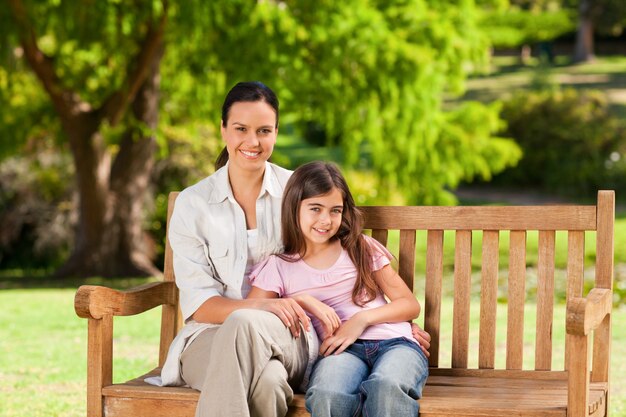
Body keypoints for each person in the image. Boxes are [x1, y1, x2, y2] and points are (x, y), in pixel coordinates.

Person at [149, 81, 431, 417]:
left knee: (247, 327)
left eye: (264, 130)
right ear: (223, 129)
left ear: (276, 132)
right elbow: (199, 307)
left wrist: (386, 324)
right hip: (212, 336)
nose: (253, 142)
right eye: (241, 129)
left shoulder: (298, 190)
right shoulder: (194, 205)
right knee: (265, 377)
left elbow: (341, 243)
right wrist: (291, 301)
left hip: (290, 336)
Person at [248, 161, 429, 417]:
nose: (326, 220)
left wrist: (361, 319)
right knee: (328, 394)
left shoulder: (359, 248)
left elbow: (409, 304)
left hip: (395, 343)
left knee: (386, 387)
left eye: (335, 210)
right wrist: (302, 300)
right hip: (339, 352)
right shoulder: (278, 267)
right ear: (293, 207)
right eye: (315, 209)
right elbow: (252, 315)